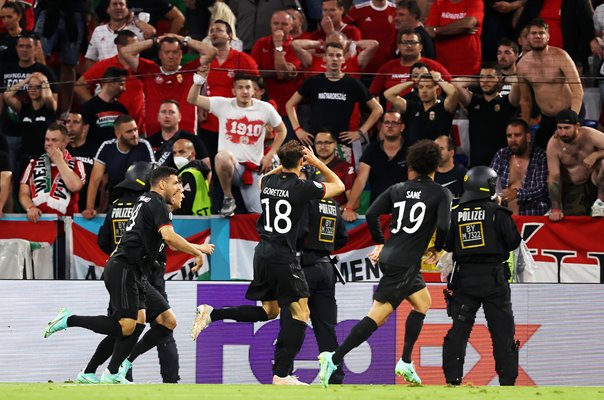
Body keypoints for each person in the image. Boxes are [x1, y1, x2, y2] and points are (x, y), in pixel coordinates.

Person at [190, 141, 345, 386]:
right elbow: (340, 185)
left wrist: (281, 167)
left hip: (261, 253)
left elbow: (264, 177)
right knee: (300, 312)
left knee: (270, 311)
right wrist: (316, 162)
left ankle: (212, 313)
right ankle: (282, 375)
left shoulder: (268, 183)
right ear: (302, 162)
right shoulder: (302, 187)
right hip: (283, 256)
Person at [43, 166, 214, 384]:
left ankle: (111, 369)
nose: (180, 189)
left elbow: (166, 240)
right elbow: (170, 238)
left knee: (161, 321)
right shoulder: (156, 203)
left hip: (135, 271)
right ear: (162, 185)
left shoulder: (148, 202)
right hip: (125, 268)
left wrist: (193, 249)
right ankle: (69, 320)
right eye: (176, 184)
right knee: (126, 326)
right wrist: (197, 249)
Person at [318, 139, 452, 388]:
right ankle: (334, 358)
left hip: (396, 259)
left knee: (423, 303)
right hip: (404, 264)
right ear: (436, 164)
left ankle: (406, 361)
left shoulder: (397, 188)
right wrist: (438, 247)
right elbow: (444, 226)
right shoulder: (441, 192)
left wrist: (381, 242)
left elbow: (370, 214)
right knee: (376, 317)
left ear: (412, 164)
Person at [442, 165, 521, 386]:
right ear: (488, 186)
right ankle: (507, 382)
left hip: (464, 281)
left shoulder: (456, 214)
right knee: (502, 333)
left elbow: (447, 245)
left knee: (459, 331)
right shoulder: (499, 213)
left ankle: (452, 379)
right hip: (494, 281)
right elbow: (514, 242)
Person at [274, 164, 348, 384]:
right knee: (326, 328)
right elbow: (342, 237)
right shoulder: (333, 205)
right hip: (326, 268)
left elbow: (299, 232)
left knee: (292, 322)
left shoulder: (302, 201)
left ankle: (282, 373)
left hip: (301, 267)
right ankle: (335, 376)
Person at [187, 71, 286, 217]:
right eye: (240, 88)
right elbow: (192, 98)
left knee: (260, 217)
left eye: (248, 87)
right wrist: (199, 80)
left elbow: (282, 130)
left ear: (254, 90)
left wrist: (271, 154)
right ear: (234, 91)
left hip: (254, 170)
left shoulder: (265, 108)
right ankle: (228, 197)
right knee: (221, 157)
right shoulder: (223, 104)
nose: (244, 91)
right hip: (232, 167)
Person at [286, 41, 383, 166]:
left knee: (341, 183)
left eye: (338, 55)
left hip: (341, 145)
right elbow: (290, 104)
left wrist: (360, 132)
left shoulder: (352, 84)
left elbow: (378, 109)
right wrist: (297, 129)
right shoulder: (313, 81)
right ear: (325, 58)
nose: (334, 59)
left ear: (344, 59)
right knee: (312, 181)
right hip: (315, 144)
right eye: (331, 55)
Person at [517, 18, 583, 150]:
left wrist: (571, 121)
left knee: (571, 155)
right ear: (528, 37)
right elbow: (525, 99)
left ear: (548, 36)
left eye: (541, 33)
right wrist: (525, 127)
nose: (537, 36)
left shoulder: (561, 56)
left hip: (569, 112)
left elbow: (578, 91)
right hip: (546, 117)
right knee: (541, 153)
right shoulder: (522, 65)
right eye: (534, 33)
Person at [75, 30, 146, 135]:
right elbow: (79, 85)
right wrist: (97, 106)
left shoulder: (142, 66)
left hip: (139, 128)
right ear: (121, 48)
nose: (137, 50)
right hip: (111, 128)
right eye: (134, 47)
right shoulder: (105, 65)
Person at [83, 115, 154, 218]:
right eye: (129, 132)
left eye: (135, 129)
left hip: (140, 203)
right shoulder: (107, 147)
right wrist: (89, 208)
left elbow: (155, 177)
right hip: (114, 203)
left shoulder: (144, 146)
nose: (134, 134)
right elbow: (95, 179)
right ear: (118, 134)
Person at [342, 111, 408, 222]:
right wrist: (349, 208)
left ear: (402, 127)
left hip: (405, 211)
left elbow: (415, 181)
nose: (390, 126)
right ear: (381, 126)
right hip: (377, 211)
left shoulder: (411, 149)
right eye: (386, 122)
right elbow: (361, 180)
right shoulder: (372, 149)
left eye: (394, 123)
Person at [453, 63, 519, 167]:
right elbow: (456, 83)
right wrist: (478, 80)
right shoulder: (474, 101)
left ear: (498, 79)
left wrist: (503, 80)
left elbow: (516, 82)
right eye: (482, 77)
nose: (485, 81)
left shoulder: (507, 102)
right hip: (477, 163)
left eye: (490, 77)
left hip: (502, 163)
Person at [19, 123, 86, 221]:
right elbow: (23, 193)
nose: (49, 143)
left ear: (65, 143)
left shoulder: (77, 164)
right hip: (39, 223)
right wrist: (31, 207)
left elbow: (75, 186)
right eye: (47, 139)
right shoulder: (33, 164)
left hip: (66, 226)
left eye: (54, 140)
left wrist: (59, 161)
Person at [546, 109, 604, 220]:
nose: (563, 133)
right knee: (574, 221)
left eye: (567, 128)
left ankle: (601, 202)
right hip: (574, 187)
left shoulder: (590, 135)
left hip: (596, 182)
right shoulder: (554, 144)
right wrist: (555, 207)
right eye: (560, 128)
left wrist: (596, 155)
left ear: (577, 126)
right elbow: (554, 177)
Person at [490, 119, 550, 216]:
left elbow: (542, 189)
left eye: (517, 135)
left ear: (528, 137)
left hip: (533, 217)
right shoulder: (501, 155)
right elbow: (490, 184)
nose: (513, 140)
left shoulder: (540, 156)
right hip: (505, 219)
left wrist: (517, 193)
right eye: (509, 136)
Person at [384, 70, 458, 145]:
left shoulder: (444, 106)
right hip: (414, 153)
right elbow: (388, 94)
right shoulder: (413, 107)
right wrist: (413, 81)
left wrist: (439, 80)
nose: (424, 91)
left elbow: (453, 92)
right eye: (421, 87)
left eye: (428, 87)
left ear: (437, 90)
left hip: (437, 153)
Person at [84, 0, 155, 69]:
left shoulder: (135, 28)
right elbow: (91, 59)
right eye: (114, 4)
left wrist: (135, 19)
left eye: (121, 4)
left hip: (128, 75)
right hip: (105, 75)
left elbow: (151, 32)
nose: (118, 7)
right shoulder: (98, 30)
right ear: (108, 10)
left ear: (128, 10)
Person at [3, 71, 57, 161]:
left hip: (45, 157)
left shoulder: (49, 107)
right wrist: (26, 80)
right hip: (26, 157)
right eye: (30, 87)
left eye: (37, 87)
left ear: (43, 88)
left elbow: (47, 97)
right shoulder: (23, 108)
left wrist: (44, 80)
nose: (33, 90)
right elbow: (7, 95)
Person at [424, 0, 484, 76]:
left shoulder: (474, 1)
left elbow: (467, 23)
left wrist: (437, 30)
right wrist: (460, 29)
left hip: (469, 65)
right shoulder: (439, 3)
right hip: (443, 65)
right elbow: (429, 31)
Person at [148, 99, 210, 169]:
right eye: (163, 112)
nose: (167, 116)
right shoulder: (149, 142)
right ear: (158, 117)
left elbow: (207, 165)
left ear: (179, 117)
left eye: (172, 112)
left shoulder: (192, 139)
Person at [79, 66, 130, 146]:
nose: (124, 88)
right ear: (110, 83)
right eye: (121, 84)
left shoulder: (122, 110)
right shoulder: (88, 108)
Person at [314, 130, 355, 207]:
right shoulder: (306, 167)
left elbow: (355, 203)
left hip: (336, 216)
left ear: (335, 144)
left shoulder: (346, 168)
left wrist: (336, 212)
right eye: (319, 143)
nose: (323, 146)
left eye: (327, 142)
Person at [172, 138, 212, 216]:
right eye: (174, 153)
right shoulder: (203, 172)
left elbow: (184, 206)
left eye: (181, 152)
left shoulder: (187, 174)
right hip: (205, 216)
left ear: (193, 154)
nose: (177, 156)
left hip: (190, 221)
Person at [65, 112, 97, 213]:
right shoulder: (59, 150)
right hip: (63, 207)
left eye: (76, 122)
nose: (70, 125)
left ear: (85, 127)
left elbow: (103, 183)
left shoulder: (95, 150)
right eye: (68, 122)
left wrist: (100, 207)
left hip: (88, 208)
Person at [434, 135, 466, 205]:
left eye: (441, 149)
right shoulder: (427, 174)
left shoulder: (464, 175)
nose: (436, 152)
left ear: (451, 153)